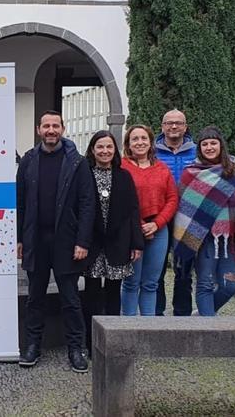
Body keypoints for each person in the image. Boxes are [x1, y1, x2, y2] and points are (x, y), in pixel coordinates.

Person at [15, 110, 95, 373]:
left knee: (70, 299)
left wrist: (83, 241)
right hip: (36, 240)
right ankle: (32, 346)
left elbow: (87, 204)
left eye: (55, 125)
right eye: (46, 126)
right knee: (34, 298)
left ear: (63, 128)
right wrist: (19, 239)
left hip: (67, 242)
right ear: (39, 129)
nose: (51, 130)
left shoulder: (77, 162)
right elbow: (20, 203)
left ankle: (76, 348)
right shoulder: (28, 160)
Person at [83, 130, 143, 351]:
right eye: (100, 147)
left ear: (114, 150)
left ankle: (112, 342)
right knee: (91, 295)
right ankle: (91, 343)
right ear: (92, 150)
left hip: (118, 242)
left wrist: (137, 243)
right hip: (93, 243)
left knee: (113, 293)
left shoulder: (124, 176)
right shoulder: (84, 174)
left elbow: (133, 211)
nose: (105, 151)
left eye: (109, 147)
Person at [172, 126, 235, 317]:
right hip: (202, 238)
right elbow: (185, 209)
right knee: (205, 283)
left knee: (230, 286)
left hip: (227, 239)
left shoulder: (233, 172)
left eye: (213, 143)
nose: (209, 147)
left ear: (221, 145)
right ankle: (208, 329)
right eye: (205, 144)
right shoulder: (191, 173)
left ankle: (203, 315)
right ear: (199, 148)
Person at [119, 124, 178, 316]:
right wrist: (140, 225)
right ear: (128, 143)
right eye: (135, 139)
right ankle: (127, 328)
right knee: (130, 282)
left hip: (158, 230)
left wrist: (157, 223)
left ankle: (148, 327)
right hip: (131, 230)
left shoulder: (162, 169)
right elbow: (120, 201)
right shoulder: (121, 167)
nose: (140, 142)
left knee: (151, 283)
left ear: (151, 142)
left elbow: (172, 199)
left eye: (144, 138)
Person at [154, 109, 196, 316]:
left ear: (185, 127)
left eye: (178, 123)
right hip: (160, 217)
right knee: (157, 269)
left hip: (188, 219)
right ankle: (157, 314)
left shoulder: (197, 152)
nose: (173, 126)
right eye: (169, 123)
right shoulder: (151, 152)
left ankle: (182, 315)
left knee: (184, 271)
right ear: (162, 127)